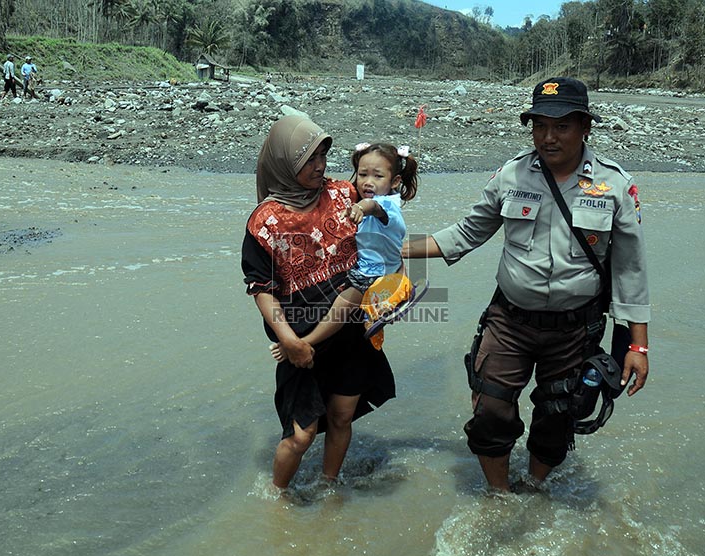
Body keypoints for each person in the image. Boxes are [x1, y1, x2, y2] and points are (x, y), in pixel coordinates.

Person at [403, 77, 650, 492]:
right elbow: (465, 233)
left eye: (561, 127)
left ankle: (534, 488)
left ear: (585, 127)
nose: (548, 137)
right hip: (510, 323)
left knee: (559, 418)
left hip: (575, 330)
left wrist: (638, 347)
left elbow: (631, 271)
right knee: (489, 414)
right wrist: (395, 250)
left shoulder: (615, 186)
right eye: (539, 126)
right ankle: (499, 496)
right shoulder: (511, 175)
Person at [242, 115, 396, 490]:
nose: (320, 166)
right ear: (284, 163)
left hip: (351, 331)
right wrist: (289, 340)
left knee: (342, 417)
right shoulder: (265, 222)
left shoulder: (344, 194)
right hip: (299, 341)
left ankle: (329, 486)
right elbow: (260, 288)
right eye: (309, 159)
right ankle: (276, 500)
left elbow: (388, 212)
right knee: (301, 435)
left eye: (323, 156)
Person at [269, 141, 419, 359]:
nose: (368, 182)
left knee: (340, 309)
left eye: (377, 176)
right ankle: (381, 307)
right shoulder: (381, 198)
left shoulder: (386, 205)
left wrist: (359, 208)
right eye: (362, 174)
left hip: (370, 274)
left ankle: (303, 343)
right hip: (386, 268)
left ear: (395, 181)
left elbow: (374, 208)